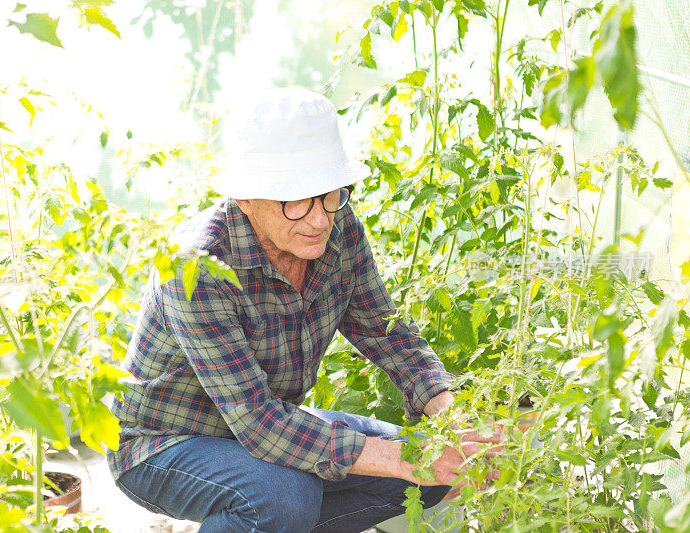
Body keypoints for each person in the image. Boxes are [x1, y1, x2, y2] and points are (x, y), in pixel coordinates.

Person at [107, 87, 499, 532]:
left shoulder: (338, 229)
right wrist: (401, 460)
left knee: (430, 467)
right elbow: (257, 422)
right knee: (286, 495)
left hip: (264, 429)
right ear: (246, 199)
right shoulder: (197, 267)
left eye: (331, 194)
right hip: (162, 445)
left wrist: (455, 423)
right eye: (295, 200)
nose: (319, 218)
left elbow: (389, 336)